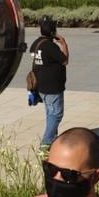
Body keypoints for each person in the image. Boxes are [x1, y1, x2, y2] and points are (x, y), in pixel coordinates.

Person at [30, 18, 69, 149]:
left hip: (41, 86)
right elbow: (65, 60)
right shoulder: (50, 46)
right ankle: (46, 142)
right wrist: (64, 44)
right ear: (53, 32)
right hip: (53, 87)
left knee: (50, 113)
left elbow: (36, 58)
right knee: (56, 114)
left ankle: (52, 139)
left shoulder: (36, 43)